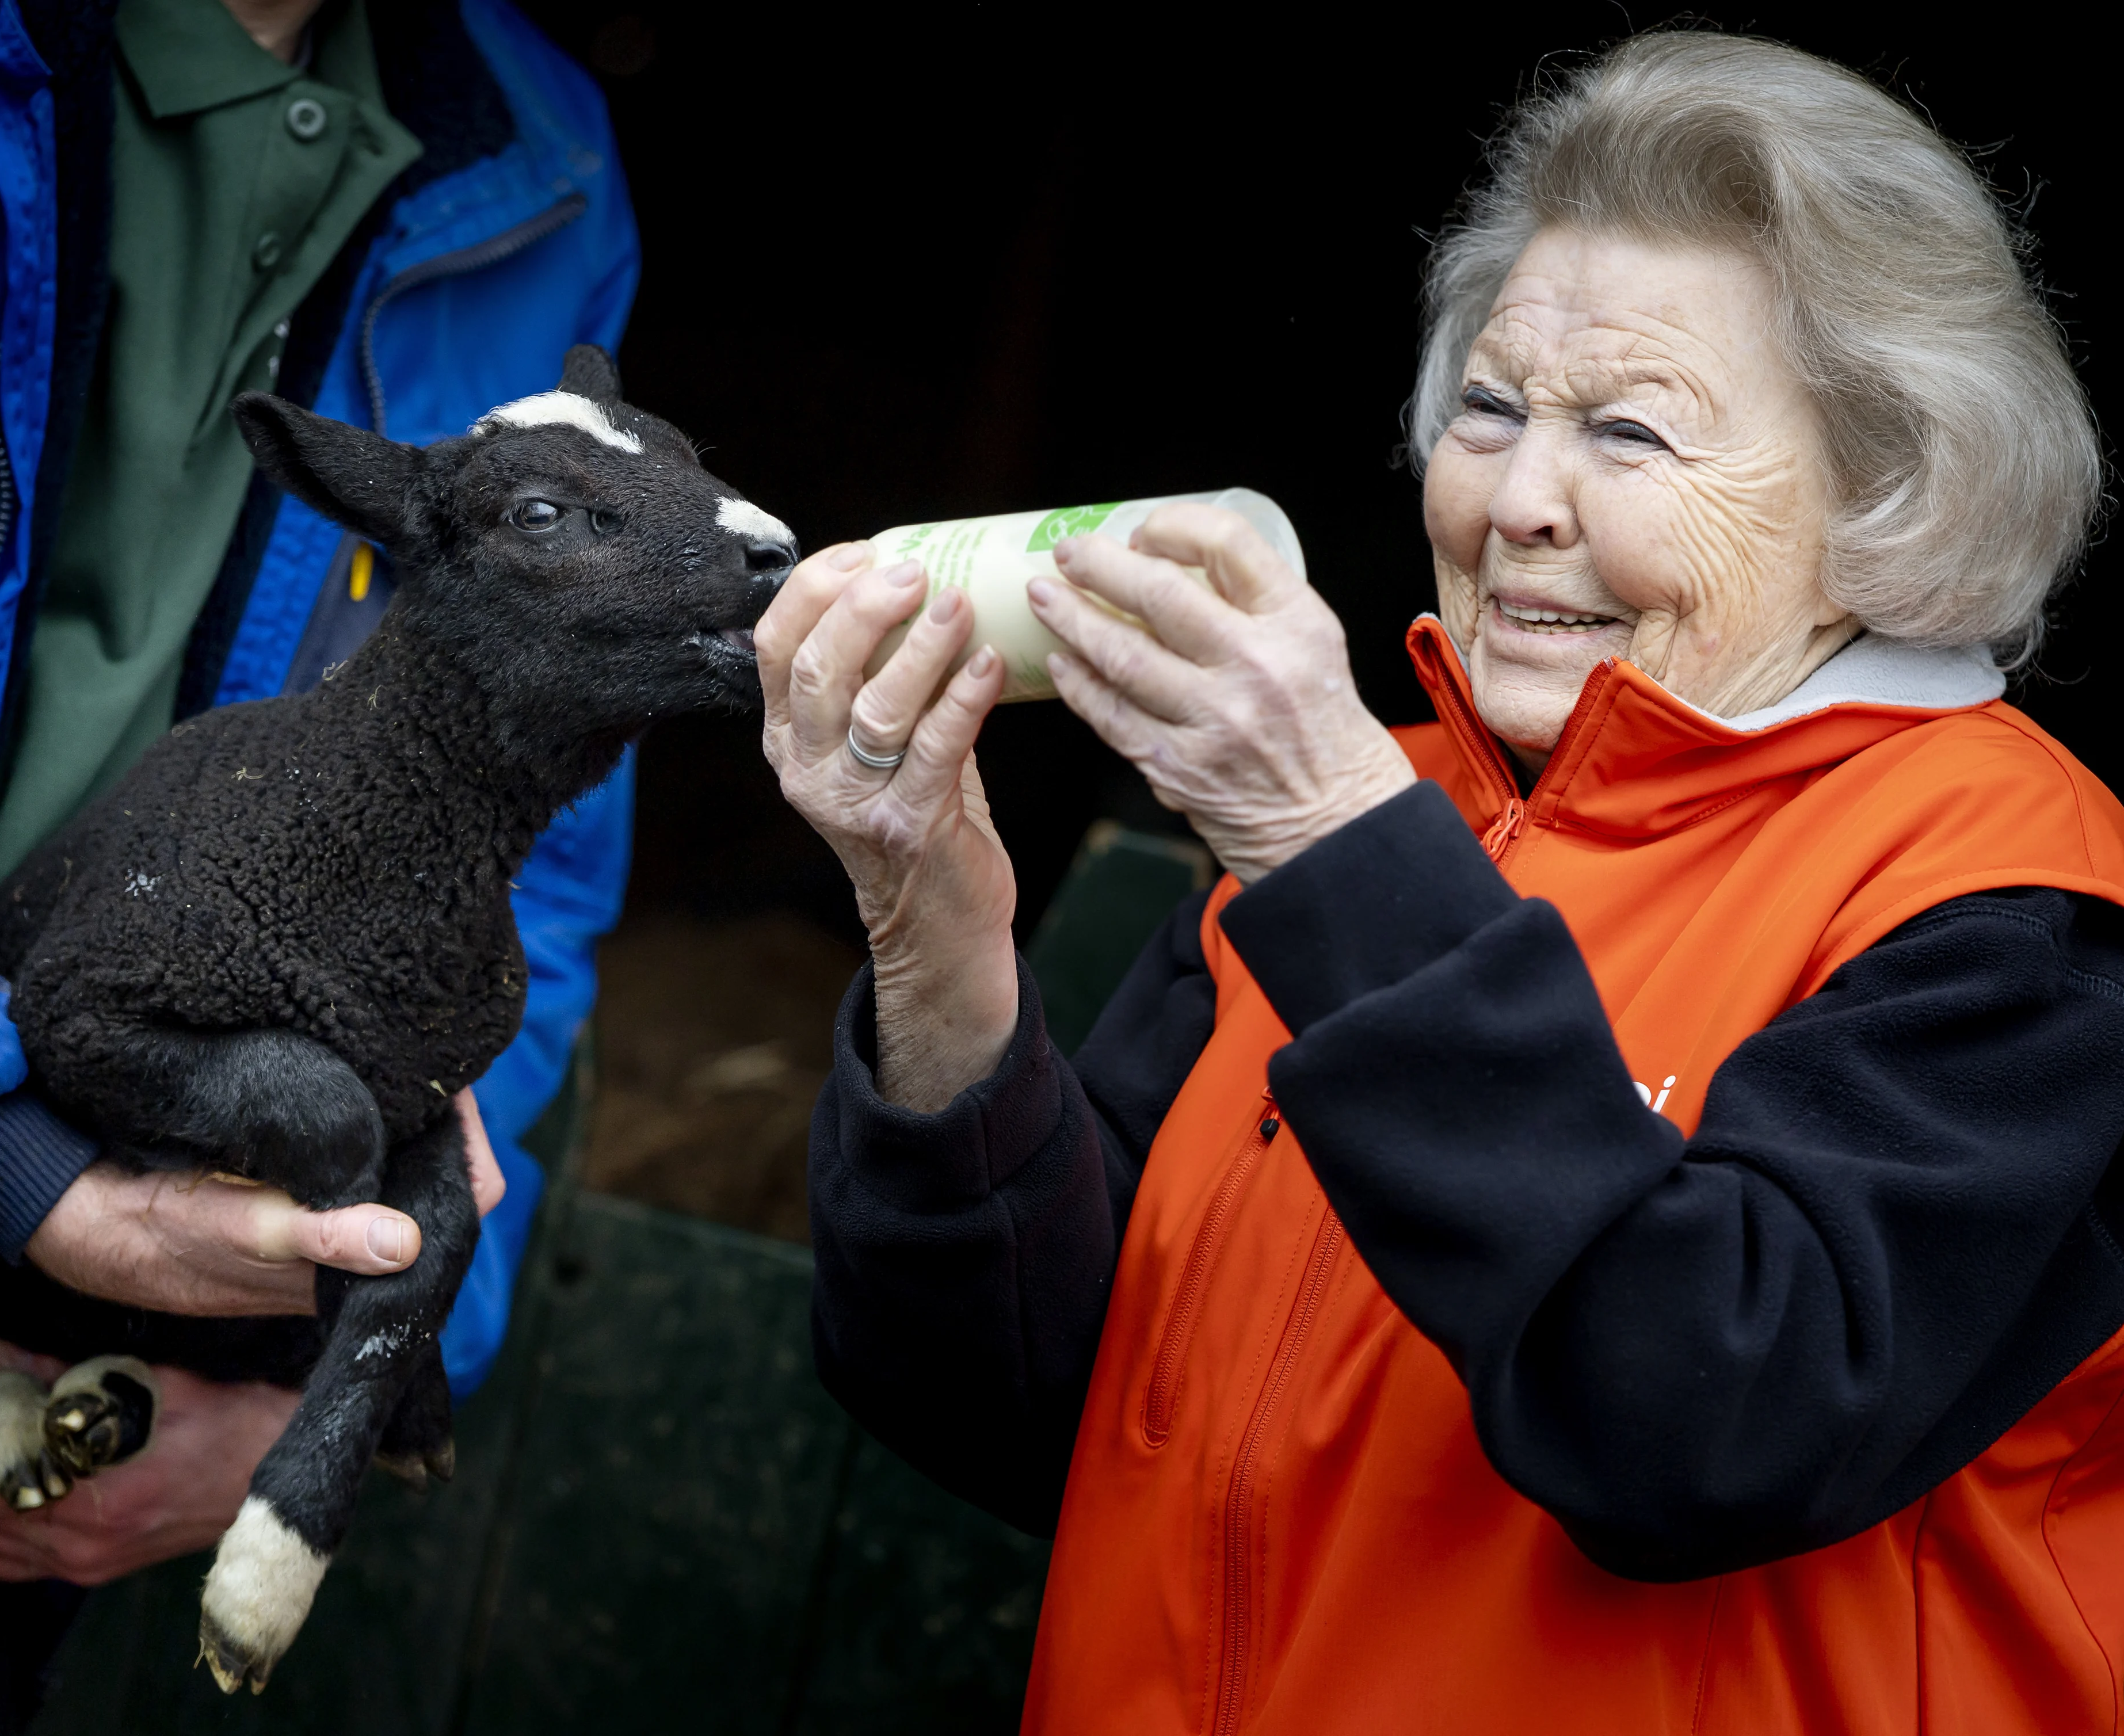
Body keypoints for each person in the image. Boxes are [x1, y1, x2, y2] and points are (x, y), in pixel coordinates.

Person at [764, 32, 2124, 1734]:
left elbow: (1712, 1425)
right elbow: (1011, 1406)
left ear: (1888, 495)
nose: (1520, 502)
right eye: (1490, 408)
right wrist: (940, 936)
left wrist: (1331, 846)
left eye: (1630, 432)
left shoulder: (2017, 910)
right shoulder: (1374, 809)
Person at [0, 0, 636, 1703]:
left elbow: (528, 850)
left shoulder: (542, 159)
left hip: (116, 1277)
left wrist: (326, 1379)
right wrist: (0, 1160)